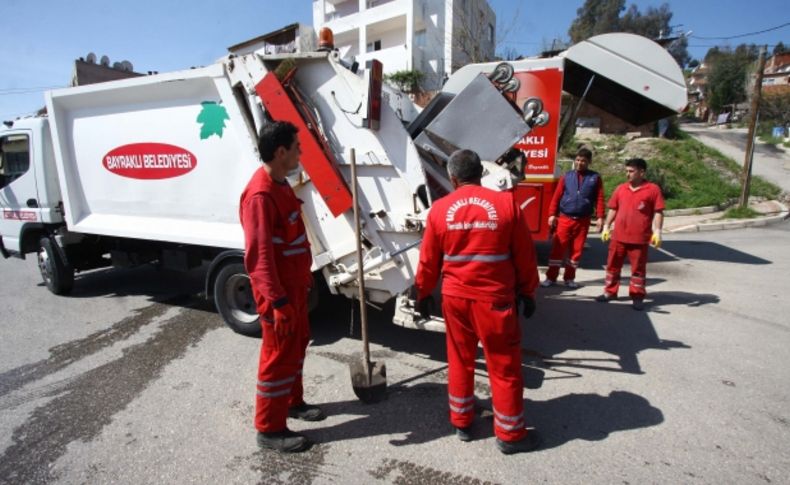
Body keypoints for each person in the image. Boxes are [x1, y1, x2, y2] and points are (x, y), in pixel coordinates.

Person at [415, 149, 542, 455]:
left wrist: (421, 294)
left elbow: (429, 261)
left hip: (456, 299)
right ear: (481, 173)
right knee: (504, 366)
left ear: (453, 178)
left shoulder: (440, 210)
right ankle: (510, 435)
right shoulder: (506, 204)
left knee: (460, 359)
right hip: (495, 301)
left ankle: (461, 421)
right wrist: (528, 291)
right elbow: (525, 256)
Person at [239, 121, 325, 453]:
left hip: (295, 289)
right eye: (297, 147)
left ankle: (293, 402)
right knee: (277, 358)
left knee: (296, 348)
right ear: (281, 152)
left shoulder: (281, 184)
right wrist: (278, 302)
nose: (300, 153)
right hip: (280, 297)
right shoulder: (260, 195)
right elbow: (259, 259)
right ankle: (270, 429)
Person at [597, 158, 665, 311]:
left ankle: (637, 297)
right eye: (626, 171)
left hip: (639, 239)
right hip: (618, 237)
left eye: (631, 171)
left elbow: (658, 212)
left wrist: (658, 231)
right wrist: (607, 226)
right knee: (612, 266)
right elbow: (613, 208)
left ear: (642, 172)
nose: (628, 174)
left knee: (638, 270)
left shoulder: (653, 189)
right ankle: (610, 292)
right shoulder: (621, 188)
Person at [541, 147, 604, 288]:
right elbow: (556, 197)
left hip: (583, 221)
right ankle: (551, 278)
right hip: (564, 218)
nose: (579, 163)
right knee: (557, 250)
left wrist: (600, 217)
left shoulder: (595, 178)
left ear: (589, 162)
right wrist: (552, 214)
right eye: (577, 160)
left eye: (583, 161)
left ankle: (569, 278)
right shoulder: (566, 176)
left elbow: (599, 199)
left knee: (576, 252)